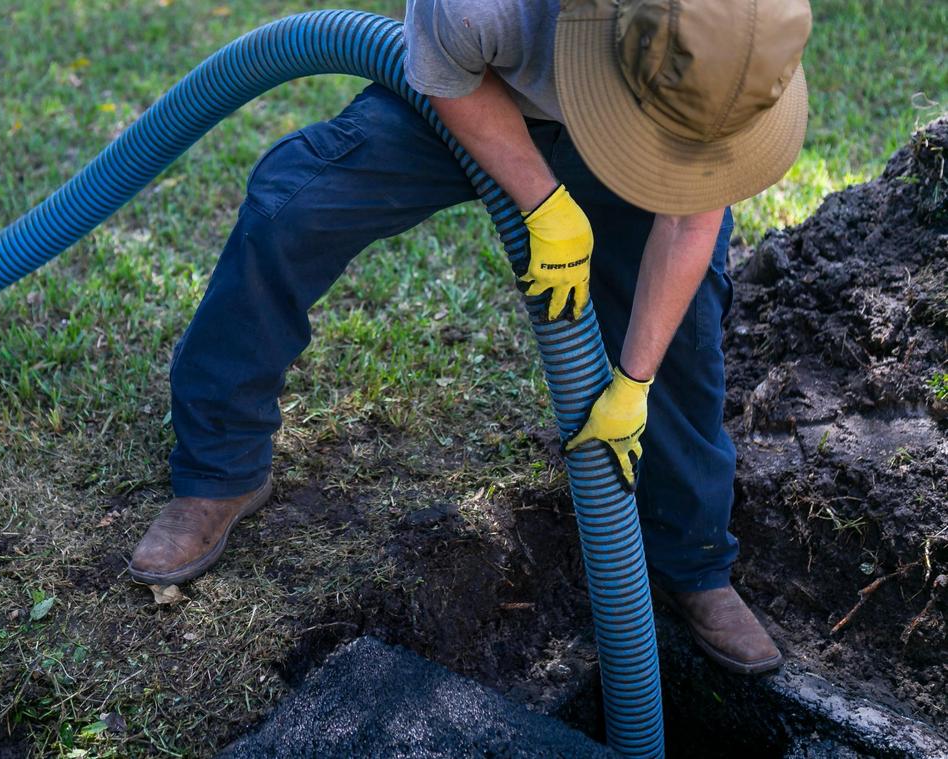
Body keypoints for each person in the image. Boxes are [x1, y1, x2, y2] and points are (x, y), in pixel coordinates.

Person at [128, 0, 812, 675]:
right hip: (484, 98)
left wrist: (632, 383)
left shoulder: (741, 42)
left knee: (683, 336)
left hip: (649, 140)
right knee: (289, 210)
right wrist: (543, 202)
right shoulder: (479, 7)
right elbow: (445, 68)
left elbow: (691, 221)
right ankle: (219, 469)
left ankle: (694, 561)